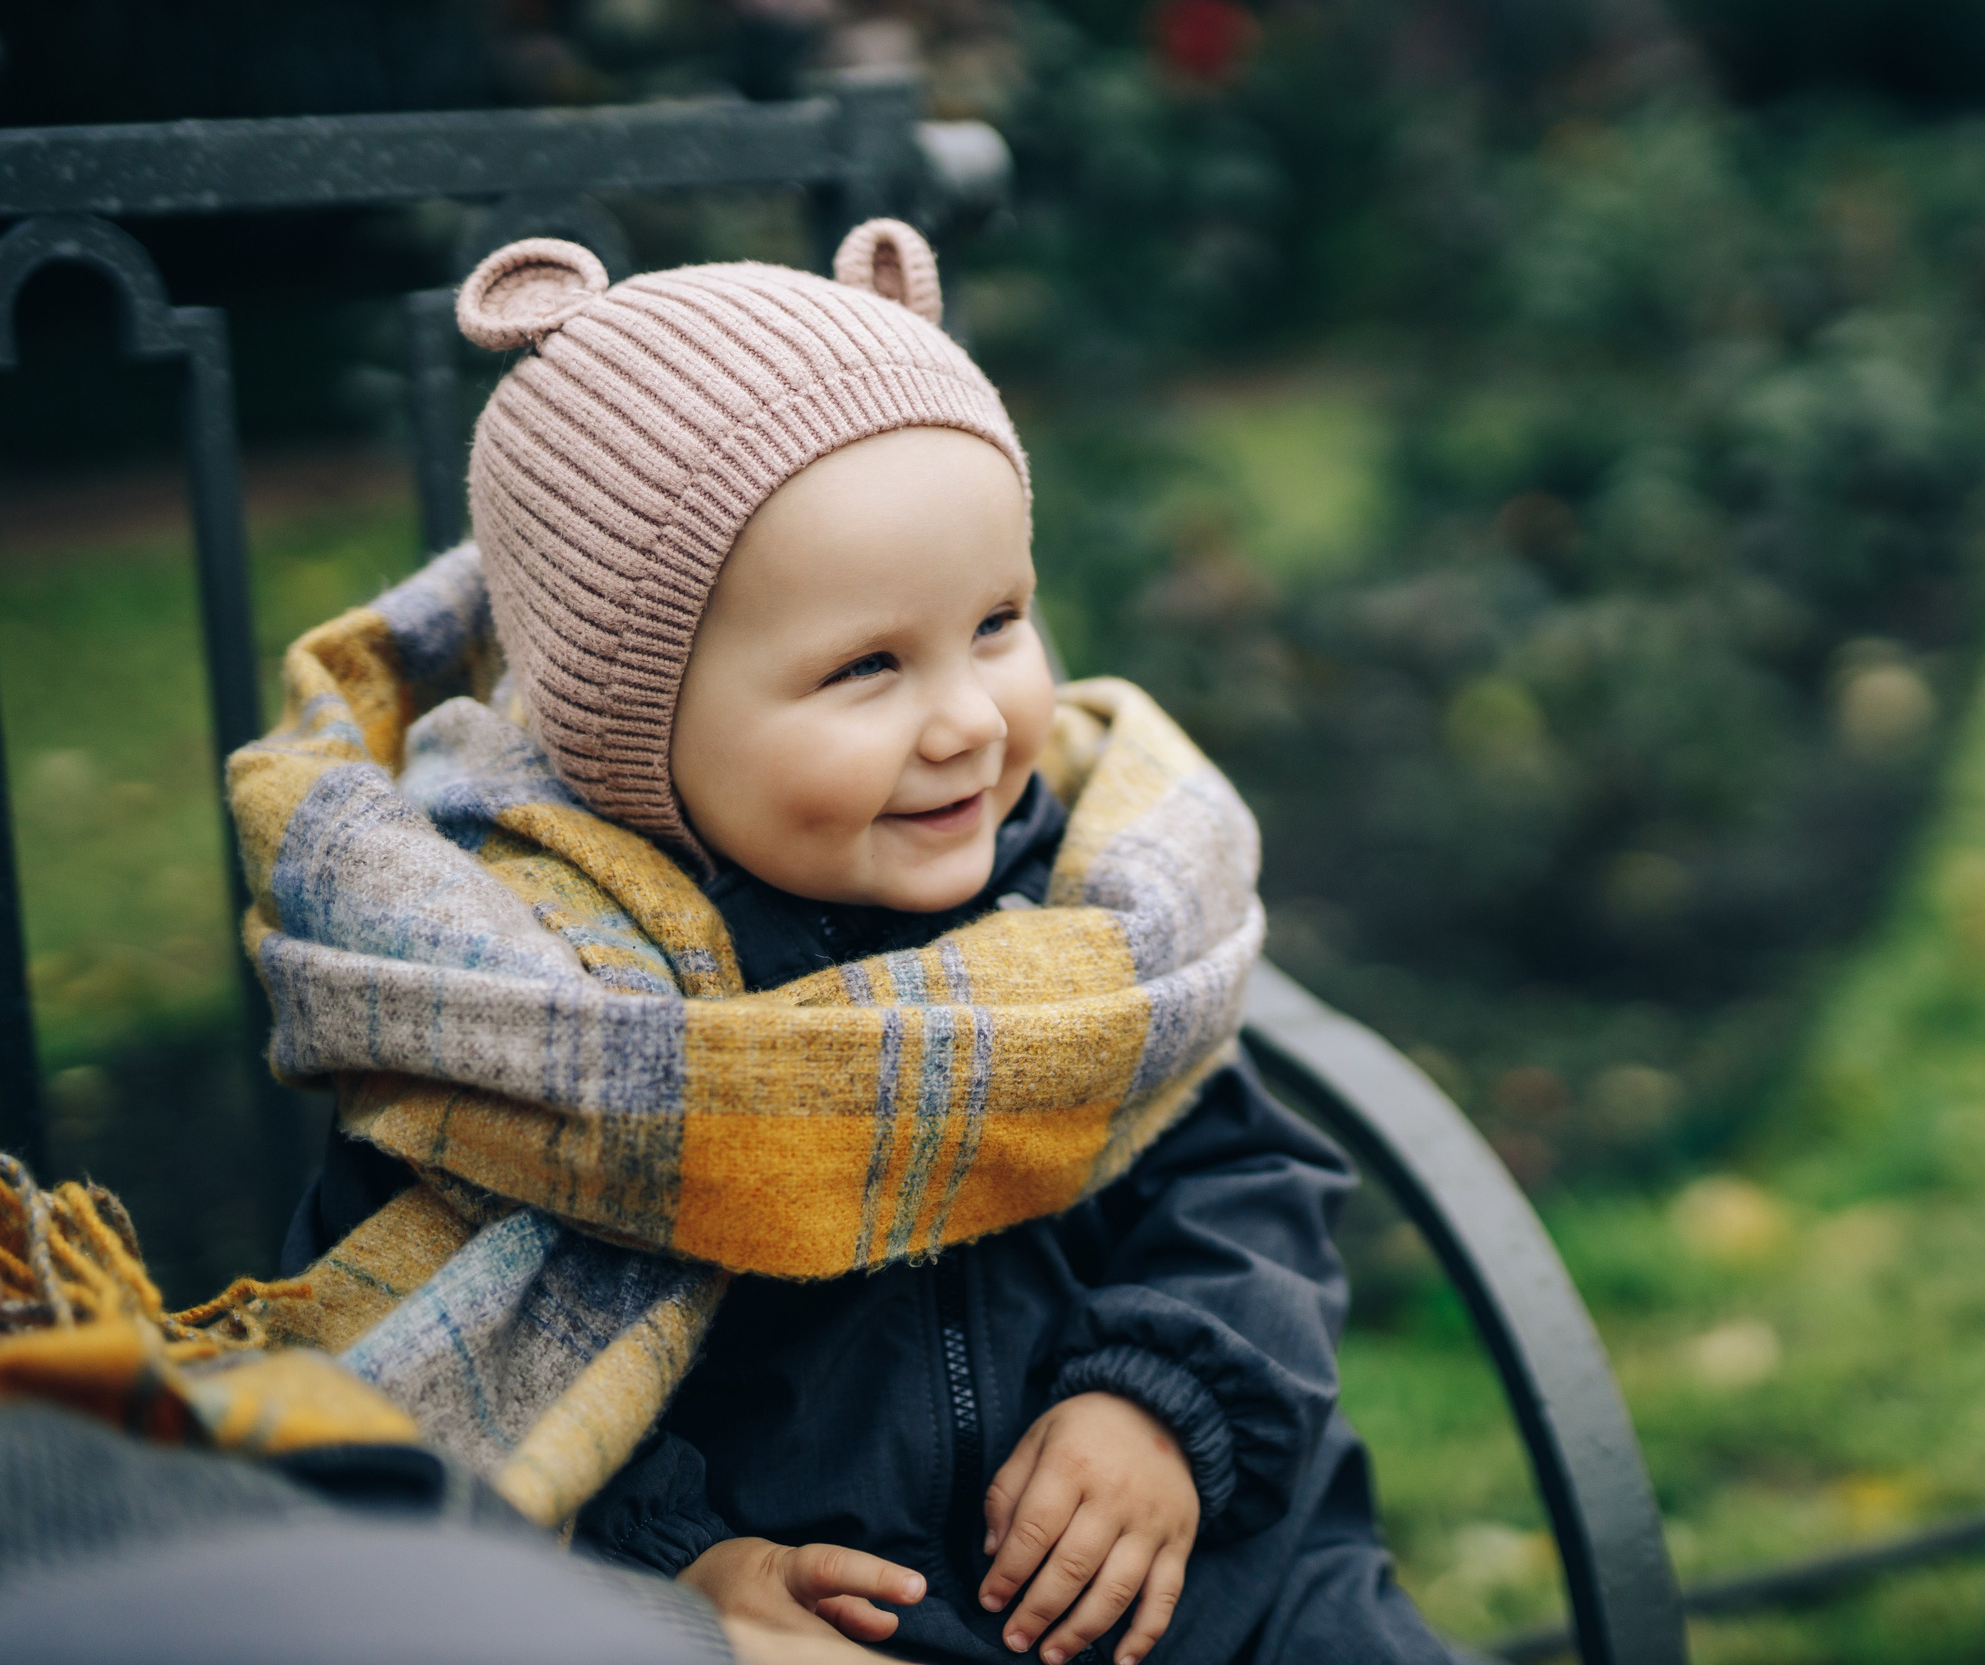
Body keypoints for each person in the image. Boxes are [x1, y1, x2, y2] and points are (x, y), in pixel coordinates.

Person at [262, 220, 1454, 1665]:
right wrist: (669, 1576)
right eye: (867, 665)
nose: (967, 719)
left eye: (998, 621)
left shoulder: (1076, 915)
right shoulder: (521, 1016)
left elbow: (1244, 1176)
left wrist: (1159, 1401)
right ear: (625, 725)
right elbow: (445, 1370)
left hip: (1211, 1596)